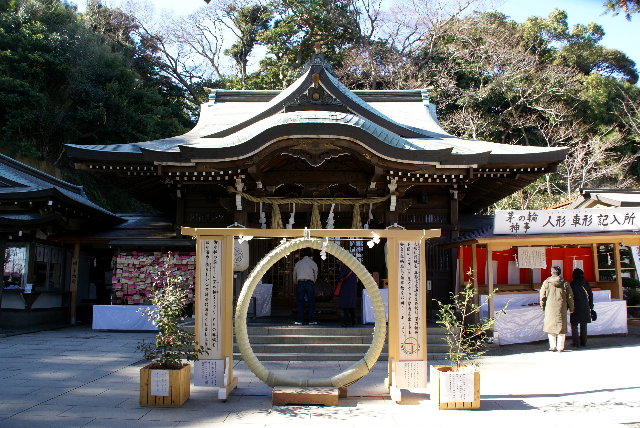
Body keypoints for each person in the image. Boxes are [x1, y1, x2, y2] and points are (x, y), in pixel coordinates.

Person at [540, 266, 574, 352]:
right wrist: (571, 308)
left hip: (550, 307)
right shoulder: (565, 283)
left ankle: (552, 346)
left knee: (550, 326)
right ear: (559, 273)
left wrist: (542, 306)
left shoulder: (546, 282)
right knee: (561, 327)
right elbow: (570, 297)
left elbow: (542, 296)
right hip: (561, 307)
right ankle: (560, 347)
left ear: (551, 272)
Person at [293, 248, 318, 325]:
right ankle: (311, 320)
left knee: (300, 302)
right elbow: (316, 273)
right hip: (309, 282)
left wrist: (296, 282)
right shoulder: (312, 263)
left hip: (300, 282)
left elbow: (294, 274)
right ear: (310, 255)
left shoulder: (298, 263)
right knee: (311, 302)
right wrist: (314, 280)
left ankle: (299, 320)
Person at [569, 268, 594, 348]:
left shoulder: (572, 284)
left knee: (574, 325)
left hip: (575, 306)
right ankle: (584, 342)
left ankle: (576, 343)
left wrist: (569, 306)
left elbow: (570, 296)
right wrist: (591, 306)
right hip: (585, 306)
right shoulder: (586, 283)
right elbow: (590, 295)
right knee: (584, 325)